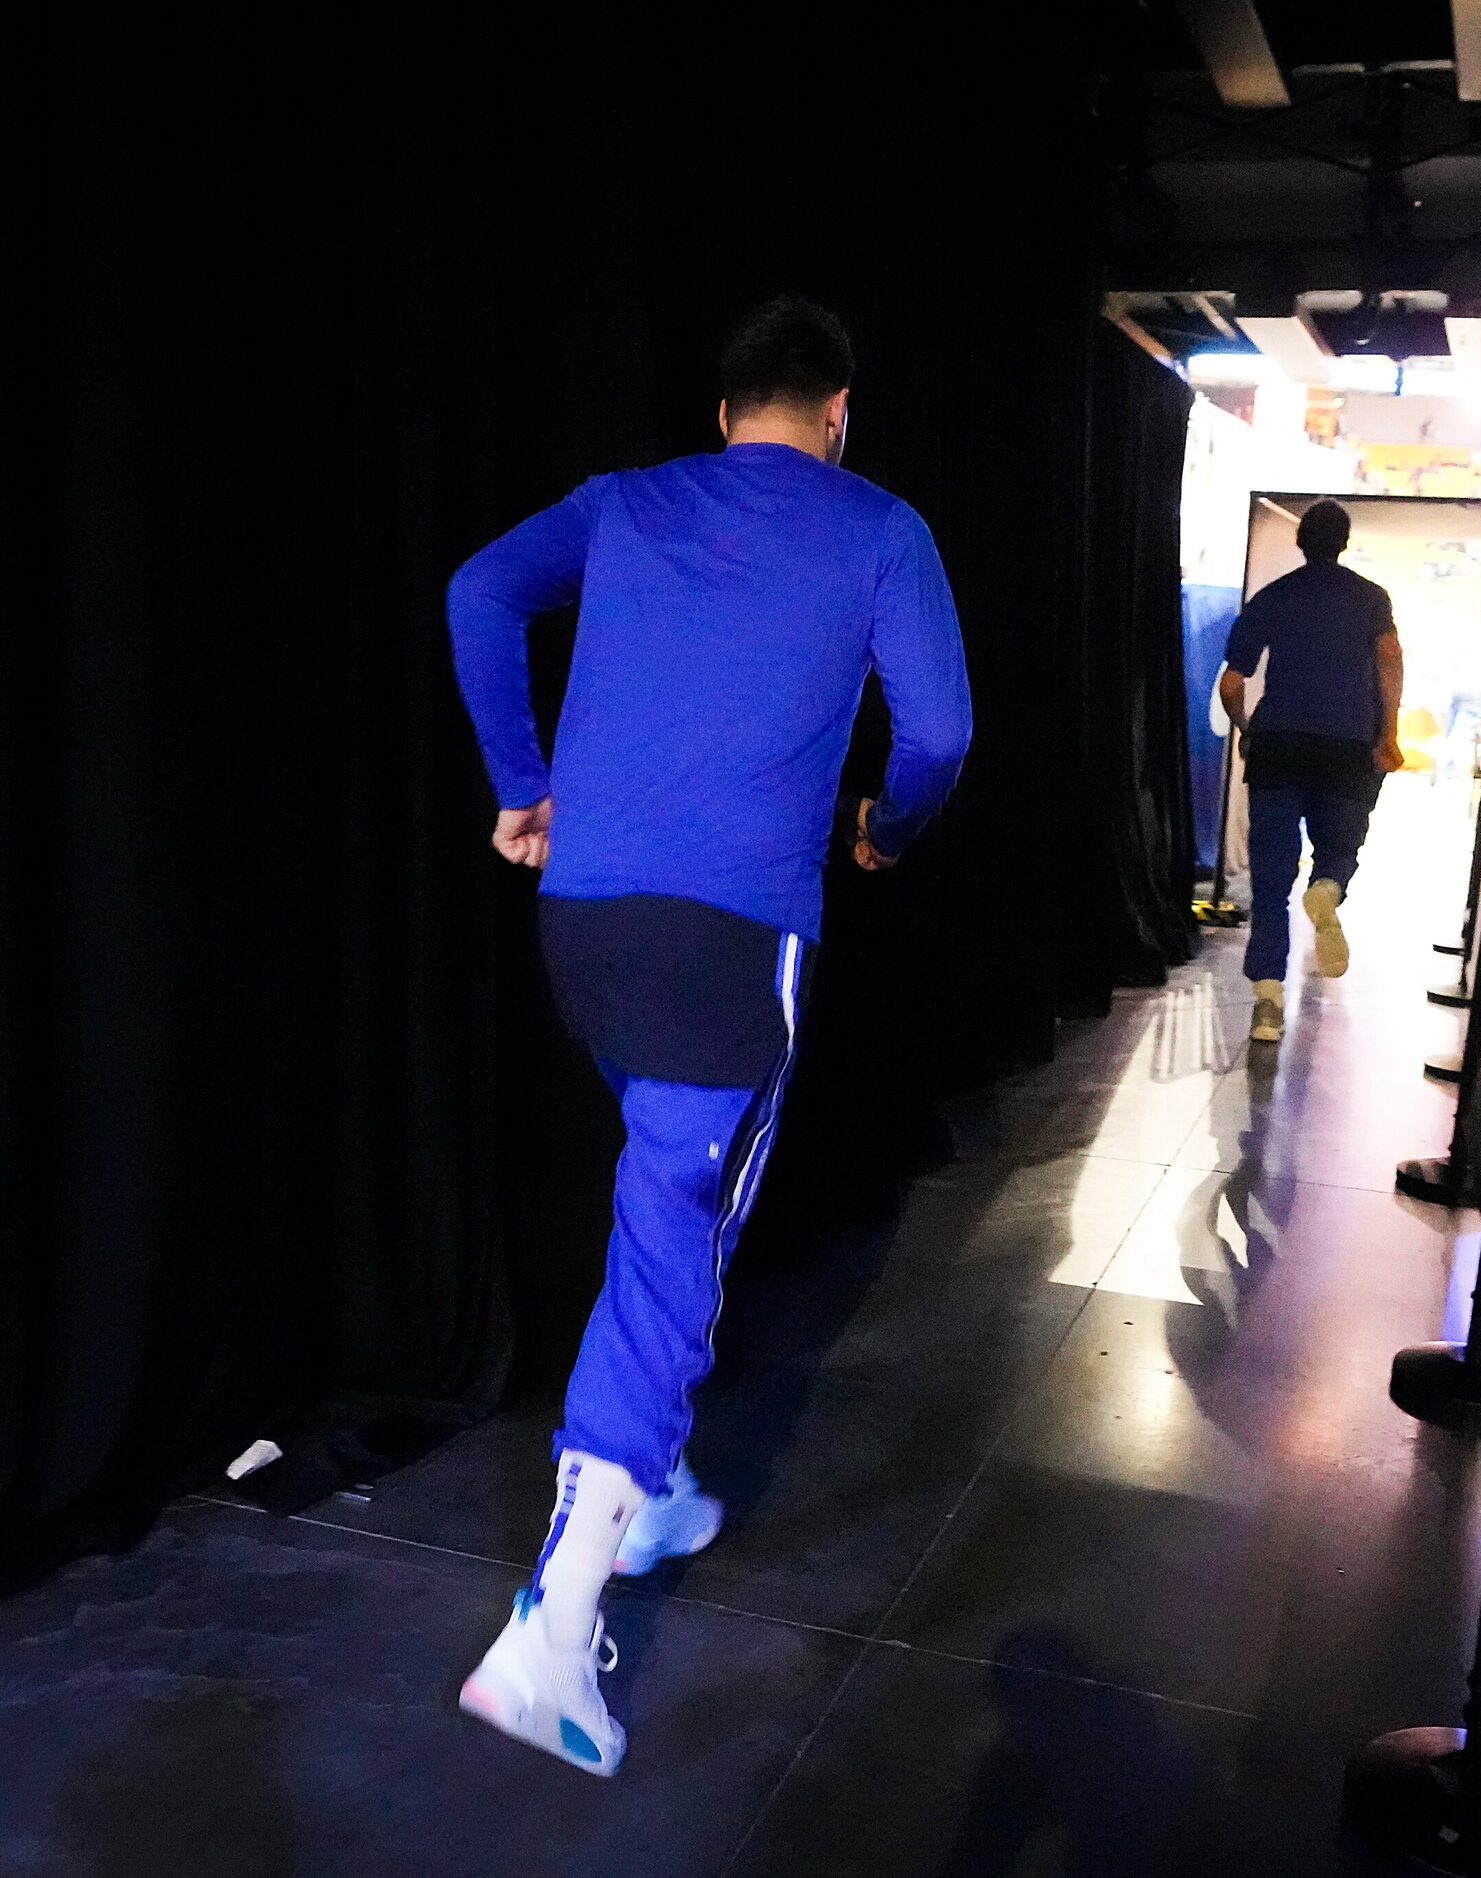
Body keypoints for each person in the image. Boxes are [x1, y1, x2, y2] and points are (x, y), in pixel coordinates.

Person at [442, 294, 972, 1775]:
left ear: (726, 409)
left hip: (585, 928)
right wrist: (888, 820)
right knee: (674, 1231)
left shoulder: (623, 501)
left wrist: (521, 782)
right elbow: (938, 731)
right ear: (839, 412)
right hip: (732, 941)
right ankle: (548, 1641)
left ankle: (654, 1477)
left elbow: (480, 594)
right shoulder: (879, 527)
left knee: (669, 1190)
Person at [1216, 500, 1403, 1042]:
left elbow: (1232, 683)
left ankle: (1268, 1005)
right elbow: (1390, 659)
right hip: (1346, 747)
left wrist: (1248, 728)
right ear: (1344, 542)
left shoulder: (1272, 598)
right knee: (1341, 848)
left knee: (1270, 881)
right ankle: (1327, 887)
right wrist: (1387, 731)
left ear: (1301, 541)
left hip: (1278, 746)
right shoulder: (1371, 599)